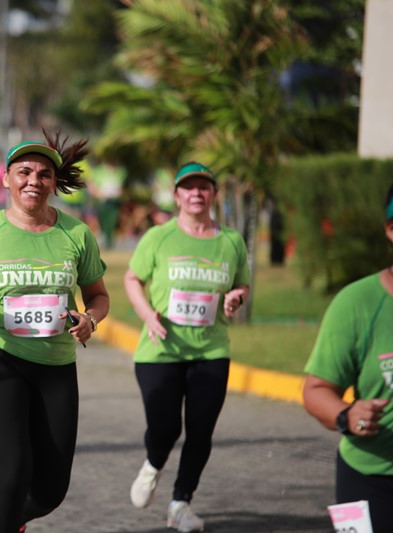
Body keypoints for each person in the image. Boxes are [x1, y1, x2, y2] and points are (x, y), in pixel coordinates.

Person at [0, 133, 109, 533]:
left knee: (50, 491)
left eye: (44, 174)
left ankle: (13, 522)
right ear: (6, 179)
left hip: (57, 367)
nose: (34, 180)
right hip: (1, 362)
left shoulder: (76, 234)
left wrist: (90, 319)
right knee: (10, 478)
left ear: (53, 183)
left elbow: (98, 296)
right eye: (24, 172)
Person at [124, 162, 250, 532]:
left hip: (211, 350)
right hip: (160, 350)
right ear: (177, 196)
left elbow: (241, 285)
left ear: (213, 194)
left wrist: (236, 300)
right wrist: (147, 314)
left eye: (203, 187)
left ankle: (181, 503)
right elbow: (133, 278)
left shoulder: (231, 241)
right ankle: (153, 464)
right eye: (188, 187)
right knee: (164, 428)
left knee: (200, 430)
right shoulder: (158, 237)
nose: (196, 193)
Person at [302, 172, 393, 533]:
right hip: (372, 481)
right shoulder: (356, 304)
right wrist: (346, 415)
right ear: (392, 229)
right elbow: (316, 390)